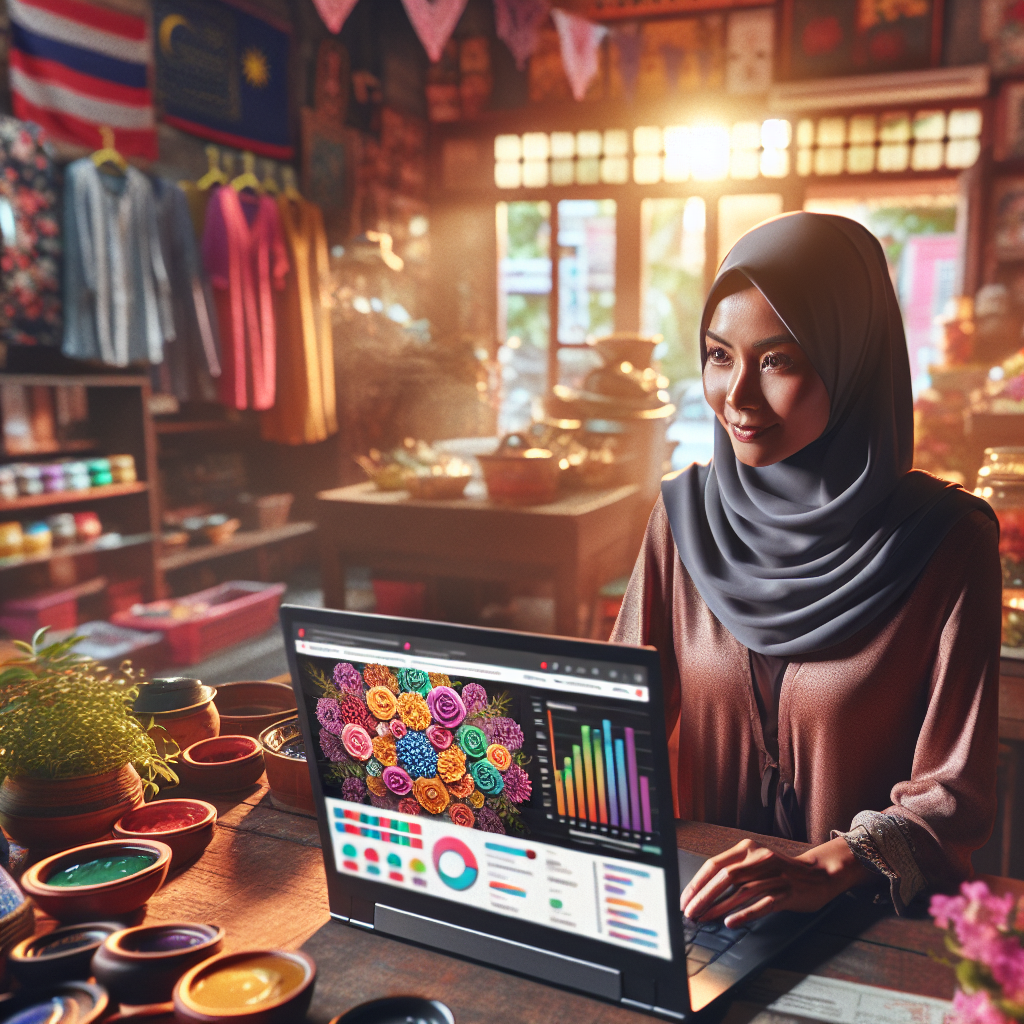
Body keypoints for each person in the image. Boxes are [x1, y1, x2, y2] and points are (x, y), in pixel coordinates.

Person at [611, 212, 1001, 929]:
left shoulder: (946, 542)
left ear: (852, 362)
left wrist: (830, 864)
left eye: (778, 361)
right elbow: (613, 722)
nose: (737, 396)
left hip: (867, 922)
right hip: (701, 916)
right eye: (719, 355)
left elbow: (956, 793)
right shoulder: (684, 519)